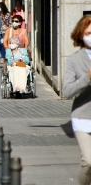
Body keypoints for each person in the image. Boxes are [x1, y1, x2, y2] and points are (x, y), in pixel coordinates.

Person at [62, 15, 91, 185]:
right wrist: (87, 79)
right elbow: (67, 91)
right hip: (83, 117)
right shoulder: (74, 60)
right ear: (80, 35)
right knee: (88, 162)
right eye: (88, 32)